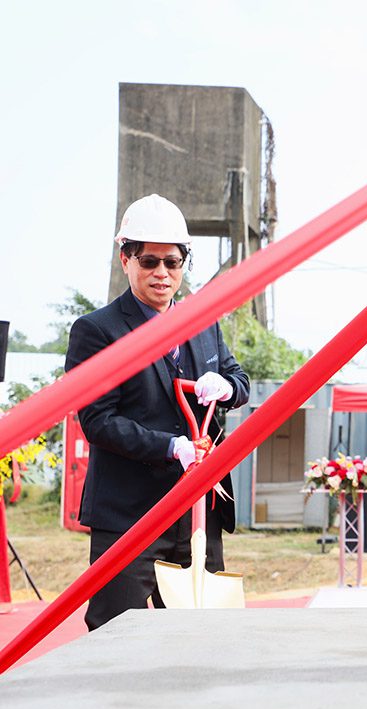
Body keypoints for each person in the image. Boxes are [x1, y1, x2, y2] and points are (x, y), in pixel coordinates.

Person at [66, 194, 249, 630]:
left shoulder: (204, 322)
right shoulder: (97, 331)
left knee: (202, 635)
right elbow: (98, 420)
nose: (162, 274)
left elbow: (238, 381)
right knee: (115, 633)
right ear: (125, 258)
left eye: (173, 261)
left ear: (185, 262)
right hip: (130, 516)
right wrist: (171, 447)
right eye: (149, 262)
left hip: (198, 511)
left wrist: (227, 389)